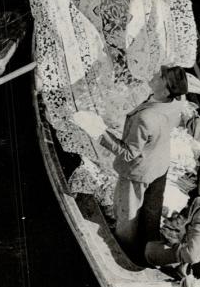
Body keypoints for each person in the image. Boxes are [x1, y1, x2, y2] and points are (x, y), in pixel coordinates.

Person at [76, 66, 193, 261]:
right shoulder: (176, 103)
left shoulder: (145, 118)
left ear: (165, 89)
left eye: (160, 76)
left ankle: (127, 254)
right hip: (159, 165)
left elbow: (129, 153)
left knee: (127, 215)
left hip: (138, 172)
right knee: (151, 211)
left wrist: (99, 132)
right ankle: (149, 244)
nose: (154, 74)